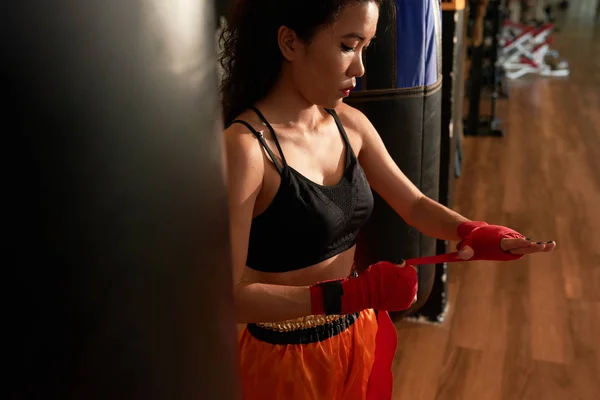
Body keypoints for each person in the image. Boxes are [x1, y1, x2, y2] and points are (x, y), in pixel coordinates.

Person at [219, 1, 556, 399]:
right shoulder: (246, 149)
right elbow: (228, 297)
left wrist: (474, 231)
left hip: (355, 336)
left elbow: (412, 204)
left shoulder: (349, 124)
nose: (360, 68)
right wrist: (346, 295)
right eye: (348, 45)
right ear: (290, 42)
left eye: (365, 48)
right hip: (285, 361)